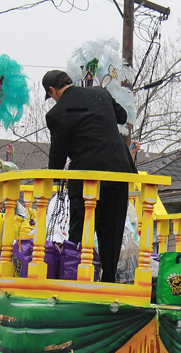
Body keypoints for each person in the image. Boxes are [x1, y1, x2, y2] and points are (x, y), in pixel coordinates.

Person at [42, 70, 137, 283]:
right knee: (112, 228)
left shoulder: (57, 113)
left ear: (52, 90)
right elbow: (121, 116)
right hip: (118, 169)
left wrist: (55, 179)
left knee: (82, 227)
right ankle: (109, 280)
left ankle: (79, 277)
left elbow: (57, 157)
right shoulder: (100, 94)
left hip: (86, 174)